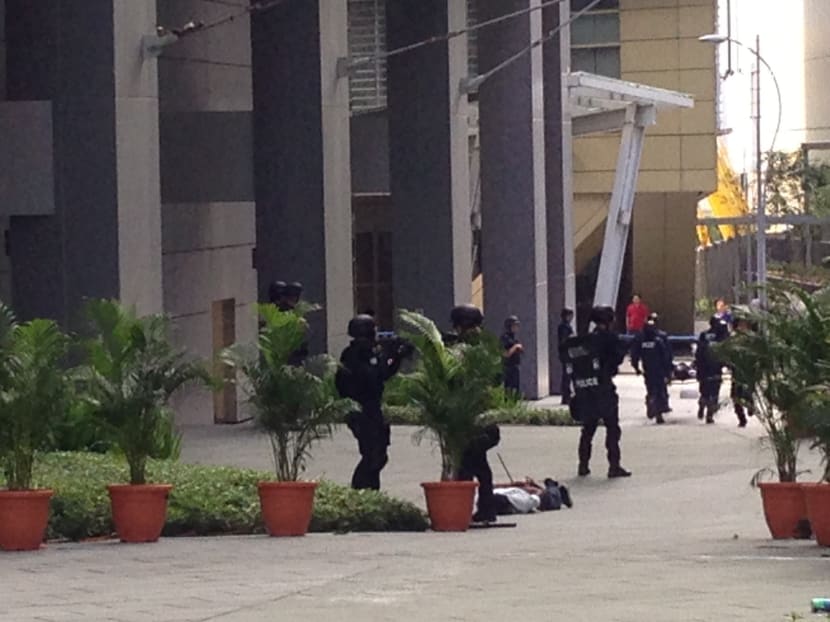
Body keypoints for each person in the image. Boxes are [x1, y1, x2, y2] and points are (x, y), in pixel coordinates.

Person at [445, 304, 501, 522]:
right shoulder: (481, 347)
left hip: (472, 419)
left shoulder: (471, 349)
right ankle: (482, 508)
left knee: (468, 466)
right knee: (479, 466)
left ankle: (467, 509)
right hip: (477, 417)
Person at [562, 305, 631, 478]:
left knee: (588, 430)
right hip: (604, 389)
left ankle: (583, 465)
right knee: (612, 429)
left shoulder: (585, 341)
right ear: (608, 321)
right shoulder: (609, 339)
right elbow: (617, 358)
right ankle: (614, 466)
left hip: (585, 390)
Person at [336, 314, 402, 490]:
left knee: (378, 455)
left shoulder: (368, 354)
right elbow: (372, 377)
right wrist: (387, 355)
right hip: (361, 411)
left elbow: (384, 374)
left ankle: (372, 492)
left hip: (372, 409)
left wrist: (397, 357)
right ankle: (359, 491)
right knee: (372, 456)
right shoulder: (353, 355)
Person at [630, 312, 673, 424]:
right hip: (659, 370)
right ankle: (659, 410)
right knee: (660, 390)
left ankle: (652, 401)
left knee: (651, 388)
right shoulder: (661, 337)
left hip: (648, 369)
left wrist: (636, 368)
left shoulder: (640, 337)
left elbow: (634, 354)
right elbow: (667, 355)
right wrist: (668, 371)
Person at [695, 315, 729, 424]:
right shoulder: (721, 337)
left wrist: (697, 365)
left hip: (703, 368)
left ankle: (703, 402)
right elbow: (726, 352)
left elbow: (698, 352)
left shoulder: (703, 335)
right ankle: (709, 414)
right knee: (714, 392)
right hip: (715, 367)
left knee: (704, 390)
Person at [730, 316, 756, 427]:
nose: (742, 327)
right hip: (737, 372)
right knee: (735, 396)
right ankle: (741, 418)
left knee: (747, 393)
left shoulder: (752, 339)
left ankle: (750, 405)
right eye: (740, 324)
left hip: (749, 372)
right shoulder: (732, 339)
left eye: (744, 324)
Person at [501, 316, 523, 395]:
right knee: (509, 388)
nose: (516, 328)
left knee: (516, 388)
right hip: (508, 367)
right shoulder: (505, 338)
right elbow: (505, 354)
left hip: (515, 365)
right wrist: (515, 347)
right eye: (514, 325)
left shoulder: (514, 338)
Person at [557, 308, 575, 405]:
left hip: (567, 354)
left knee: (568, 374)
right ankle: (566, 396)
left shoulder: (566, 326)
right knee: (567, 375)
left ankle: (567, 394)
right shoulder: (564, 327)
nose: (571, 317)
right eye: (570, 315)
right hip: (566, 355)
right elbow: (564, 340)